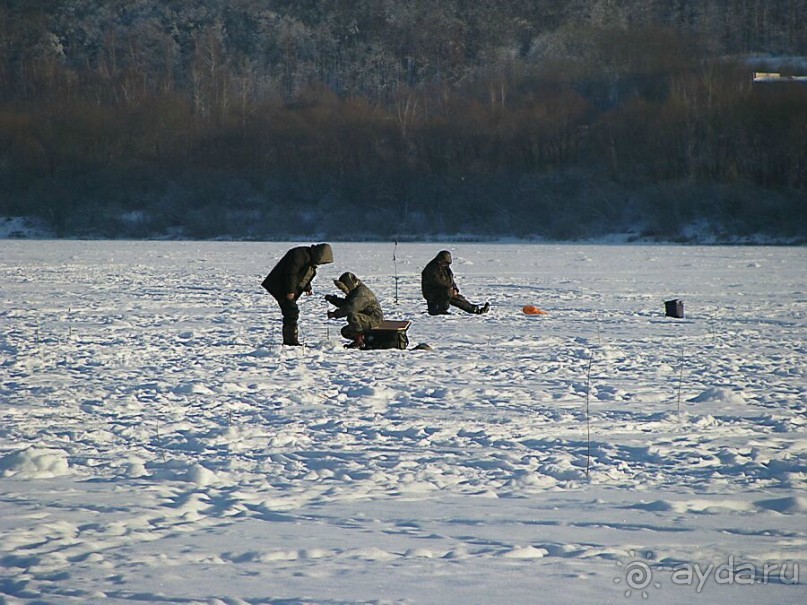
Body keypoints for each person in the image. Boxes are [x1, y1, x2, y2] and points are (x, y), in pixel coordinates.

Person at [261, 243, 333, 345]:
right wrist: (290, 291)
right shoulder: (300, 254)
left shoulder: (309, 258)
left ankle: (290, 340)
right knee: (291, 312)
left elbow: (303, 273)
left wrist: (307, 287)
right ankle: (290, 341)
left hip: (288, 288)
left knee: (290, 312)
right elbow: (291, 273)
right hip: (280, 287)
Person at [325, 272, 384, 349]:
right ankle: (363, 339)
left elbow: (351, 308)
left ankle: (359, 341)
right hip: (365, 318)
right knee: (346, 331)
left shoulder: (361, 292)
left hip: (374, 319)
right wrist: (333, 300)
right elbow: (347, 304)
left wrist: (335, 314)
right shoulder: (355, 291)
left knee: (352, 316)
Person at [421, 250, 489, 316]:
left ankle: (475, 310)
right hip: (433, 293)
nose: (445, 264)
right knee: (448, 293)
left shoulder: (446, 268)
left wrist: (454, 289)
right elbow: (437, 282)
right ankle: (440, 310)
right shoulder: (431, 268)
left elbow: (451, 280)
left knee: (458, 299)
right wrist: (449, 288)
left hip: (445, 291)